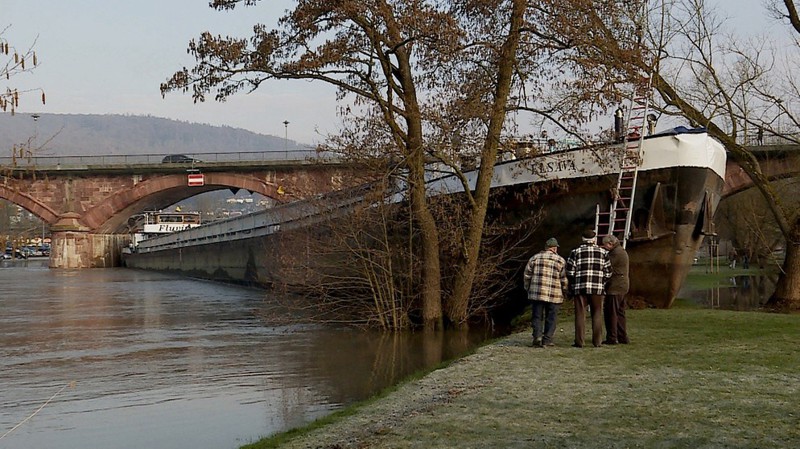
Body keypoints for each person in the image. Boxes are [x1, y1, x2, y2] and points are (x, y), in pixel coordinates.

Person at [566, 229, 611, 348]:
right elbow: (608, 272)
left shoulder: (575, 252)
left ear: (582, 239)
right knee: (597, 314)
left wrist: (573, 283)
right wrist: (602, 281)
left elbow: (570, 271)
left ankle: (579, 341)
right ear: (594, 239)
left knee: (580, 315)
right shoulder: (603, 252)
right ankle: (597, 341)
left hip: (580, 288)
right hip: (597, 288)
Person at [523, 237, 569, 348]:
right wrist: (565, 290)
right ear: (554, 248)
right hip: (554, 294)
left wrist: (527, 288)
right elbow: (563, 278)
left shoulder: (534, 258)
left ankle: (537, 337)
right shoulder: (560, 260)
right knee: (551, 317)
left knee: (537, 316)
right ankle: (547, 339)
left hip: (537, 293)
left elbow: (527, 275)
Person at [601, 235, 629, 345]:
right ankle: (622, 336)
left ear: (610, 244)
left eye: (605, 245)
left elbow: (606, 266)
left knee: (611, 313)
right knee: (620, 312)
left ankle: (612, 337)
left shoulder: (616, 253)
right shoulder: (621, 251)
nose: (604, 247)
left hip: (615, 287)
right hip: (622, 286)